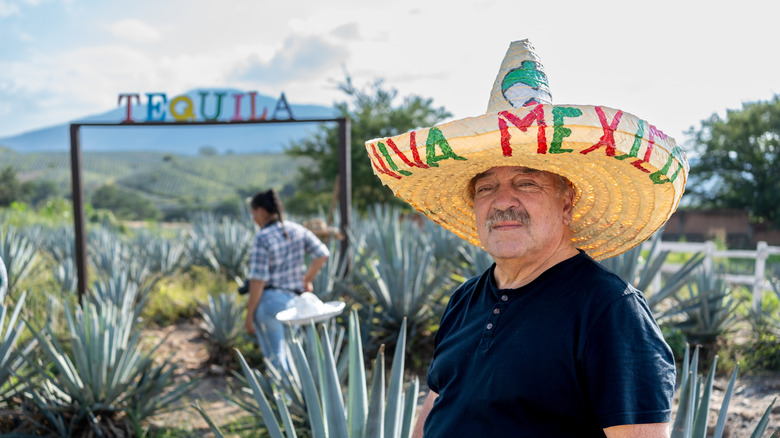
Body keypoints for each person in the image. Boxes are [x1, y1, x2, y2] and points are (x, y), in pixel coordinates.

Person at [363, 40, 689, 437]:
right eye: (486, 187)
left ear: (566, 201)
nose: (503, 202)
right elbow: (438, 403)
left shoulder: (609, 311)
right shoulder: (465, 301)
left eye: (526, 182)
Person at [244, 189, 329, 371]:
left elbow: (258, 280)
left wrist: (249, 314)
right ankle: (297, 395)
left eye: (253, 214)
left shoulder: (262, 237)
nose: (254, 219)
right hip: (294, 304)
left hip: (269, 305)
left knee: (276, 357)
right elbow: (322, 254)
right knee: (293, 353)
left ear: (260, 211)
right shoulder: (297, 230)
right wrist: (307, 280)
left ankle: (281, 397)